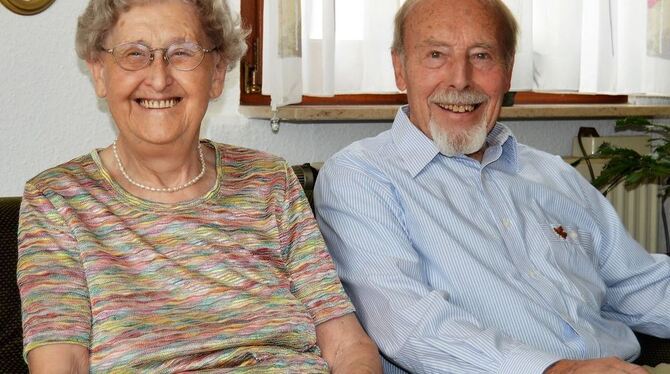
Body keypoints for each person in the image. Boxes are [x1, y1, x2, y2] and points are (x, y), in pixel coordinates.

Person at [17, 0, 381, 372]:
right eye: (134, 54)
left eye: (182, 53)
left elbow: (346, 344)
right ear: (99, 72)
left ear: (218, 73)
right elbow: (61, 364)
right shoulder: (56, 201)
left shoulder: (270, 181)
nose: (159, 78)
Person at [314, 0, 670, 373]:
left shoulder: (553, 175)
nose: (460, 79)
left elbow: (641, 285)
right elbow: (410, 327)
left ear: (508, 70)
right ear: (400, 69)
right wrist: (556, 369)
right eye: (436, 55)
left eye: (481, 56)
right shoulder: (361, 178)